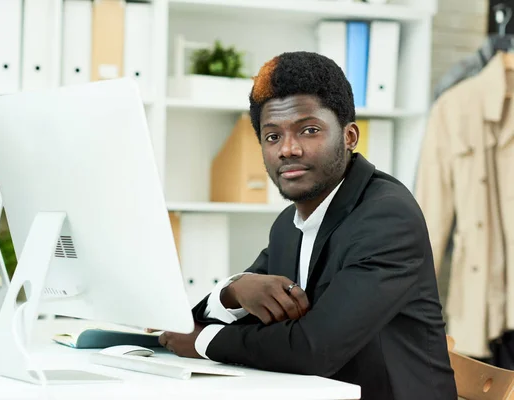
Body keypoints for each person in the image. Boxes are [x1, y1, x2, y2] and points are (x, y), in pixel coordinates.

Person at [158, 51, 457, 400]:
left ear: (349, 137)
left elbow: (314, 347)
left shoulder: (387, 217)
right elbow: (228, 320)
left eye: (309, 130)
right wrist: (235, 290)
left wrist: (202, 343)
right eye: (272, 137)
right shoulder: (289, 224)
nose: (288, 149)